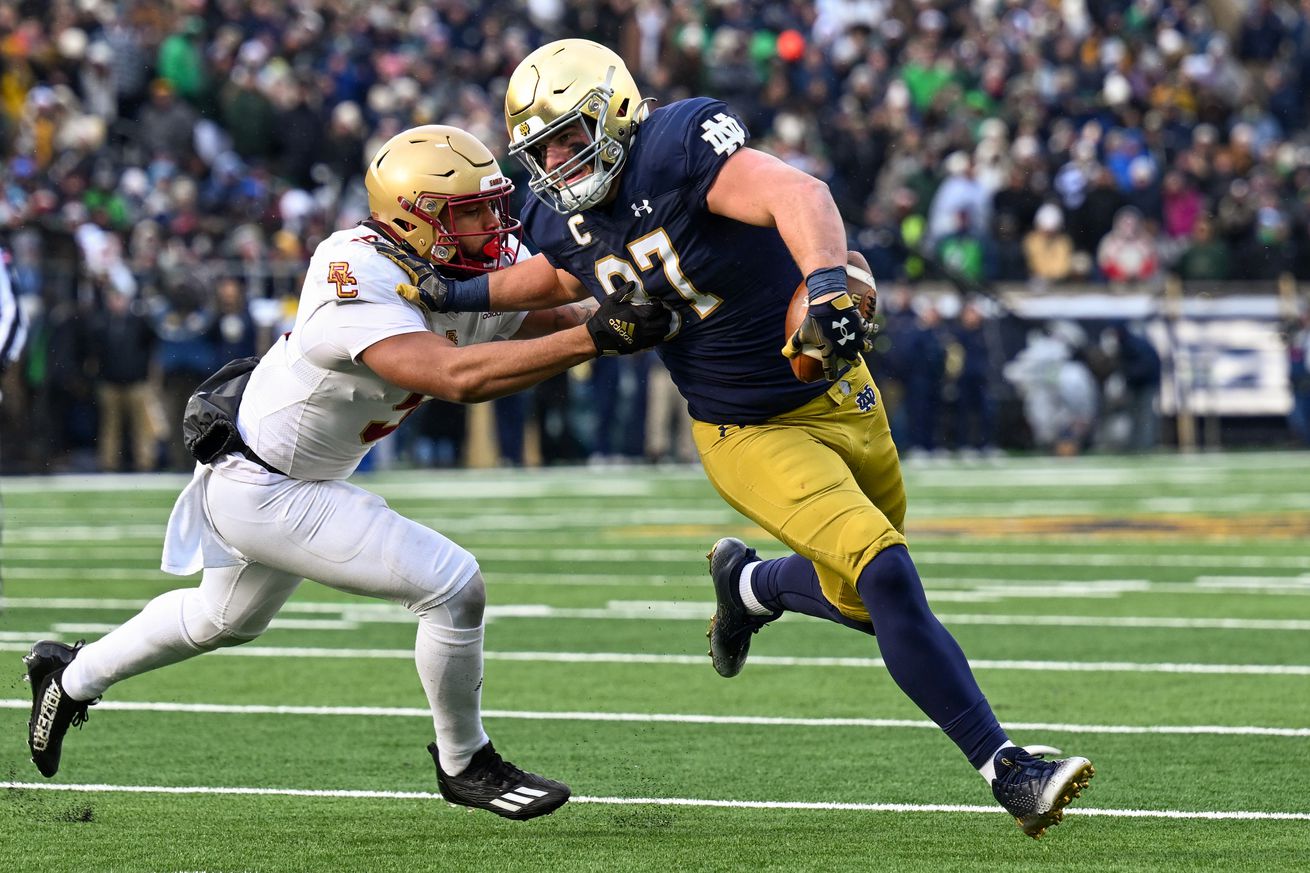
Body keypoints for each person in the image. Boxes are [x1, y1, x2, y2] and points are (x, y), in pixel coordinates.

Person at [370, 39, 1093, 838]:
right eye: (544, 151)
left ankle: (749, 588)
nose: (561, 164)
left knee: (864, 600)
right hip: (744, 428)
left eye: (572, 139)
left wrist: (824, 280)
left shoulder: (678, 146)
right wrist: (460, 287)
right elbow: (565, 273)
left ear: (613, 114)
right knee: (886, 577)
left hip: (842, 395)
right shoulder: (558, 212)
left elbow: (797, 193)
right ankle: (1008, 768)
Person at [23, 124, 671, 821]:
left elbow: (547, 311)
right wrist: (595, 336)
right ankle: (464, 760)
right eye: (472, 212)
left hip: (303, 474)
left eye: (493, 205)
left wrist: (623, 311)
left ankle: (71, 674)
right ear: (411, 214)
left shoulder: (460, 258)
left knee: (220, 619)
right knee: (452, 586)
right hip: (265, 486)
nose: (495, 225)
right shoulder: (352, 267)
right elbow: (454, 376)